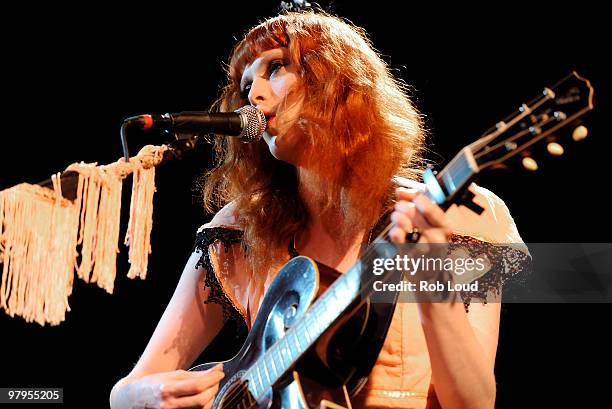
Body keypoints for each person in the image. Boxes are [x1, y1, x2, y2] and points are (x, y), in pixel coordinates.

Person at [110, 10, 527, 409]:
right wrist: (141, 396)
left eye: (274, 69)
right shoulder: (238, 228)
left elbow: (474, 403)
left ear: (335, 80)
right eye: (245, 84)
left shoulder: (458, 219)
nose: (252, 95)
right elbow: (127, 389)